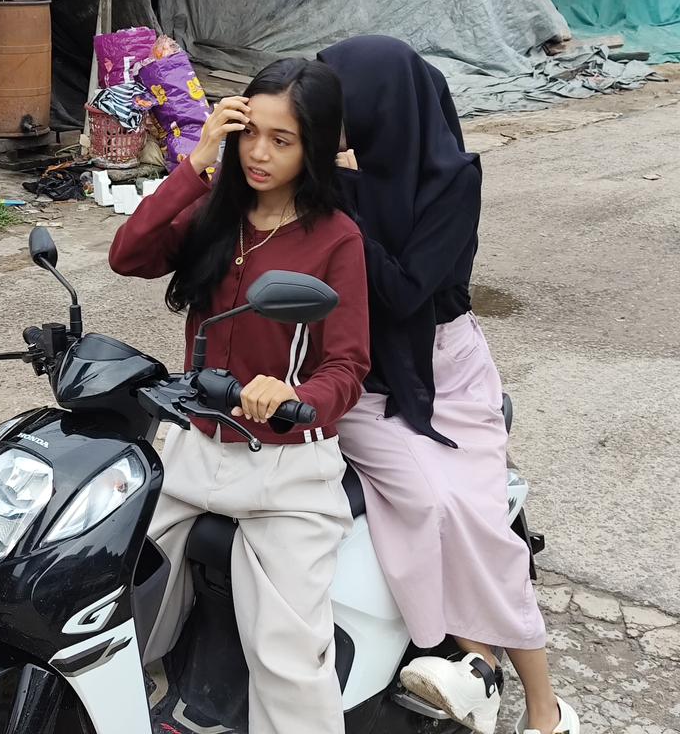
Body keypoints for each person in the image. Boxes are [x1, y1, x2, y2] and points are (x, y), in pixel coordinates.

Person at [319, 36, 579, 734]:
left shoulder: (451, 179)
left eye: (336, 103)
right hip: (362, 378)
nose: (324, 118)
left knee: (478, 519)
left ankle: (545, 709)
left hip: (446, 369)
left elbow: (405, 292)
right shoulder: (330, 176)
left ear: (379, 105)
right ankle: (473, 659)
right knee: (425, 502)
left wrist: (336, 201)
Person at [108, 58, 370, 734]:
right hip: (193, 449)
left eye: (282, 141)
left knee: (287, 656)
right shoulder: (212, 208)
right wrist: (195, 162)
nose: (258, 152)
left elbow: (347, 364)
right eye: (249, 132)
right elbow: (128, 254)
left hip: (286, 469)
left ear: (314, 148)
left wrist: (296, 394)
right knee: (102, 586)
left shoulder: (335, 239)